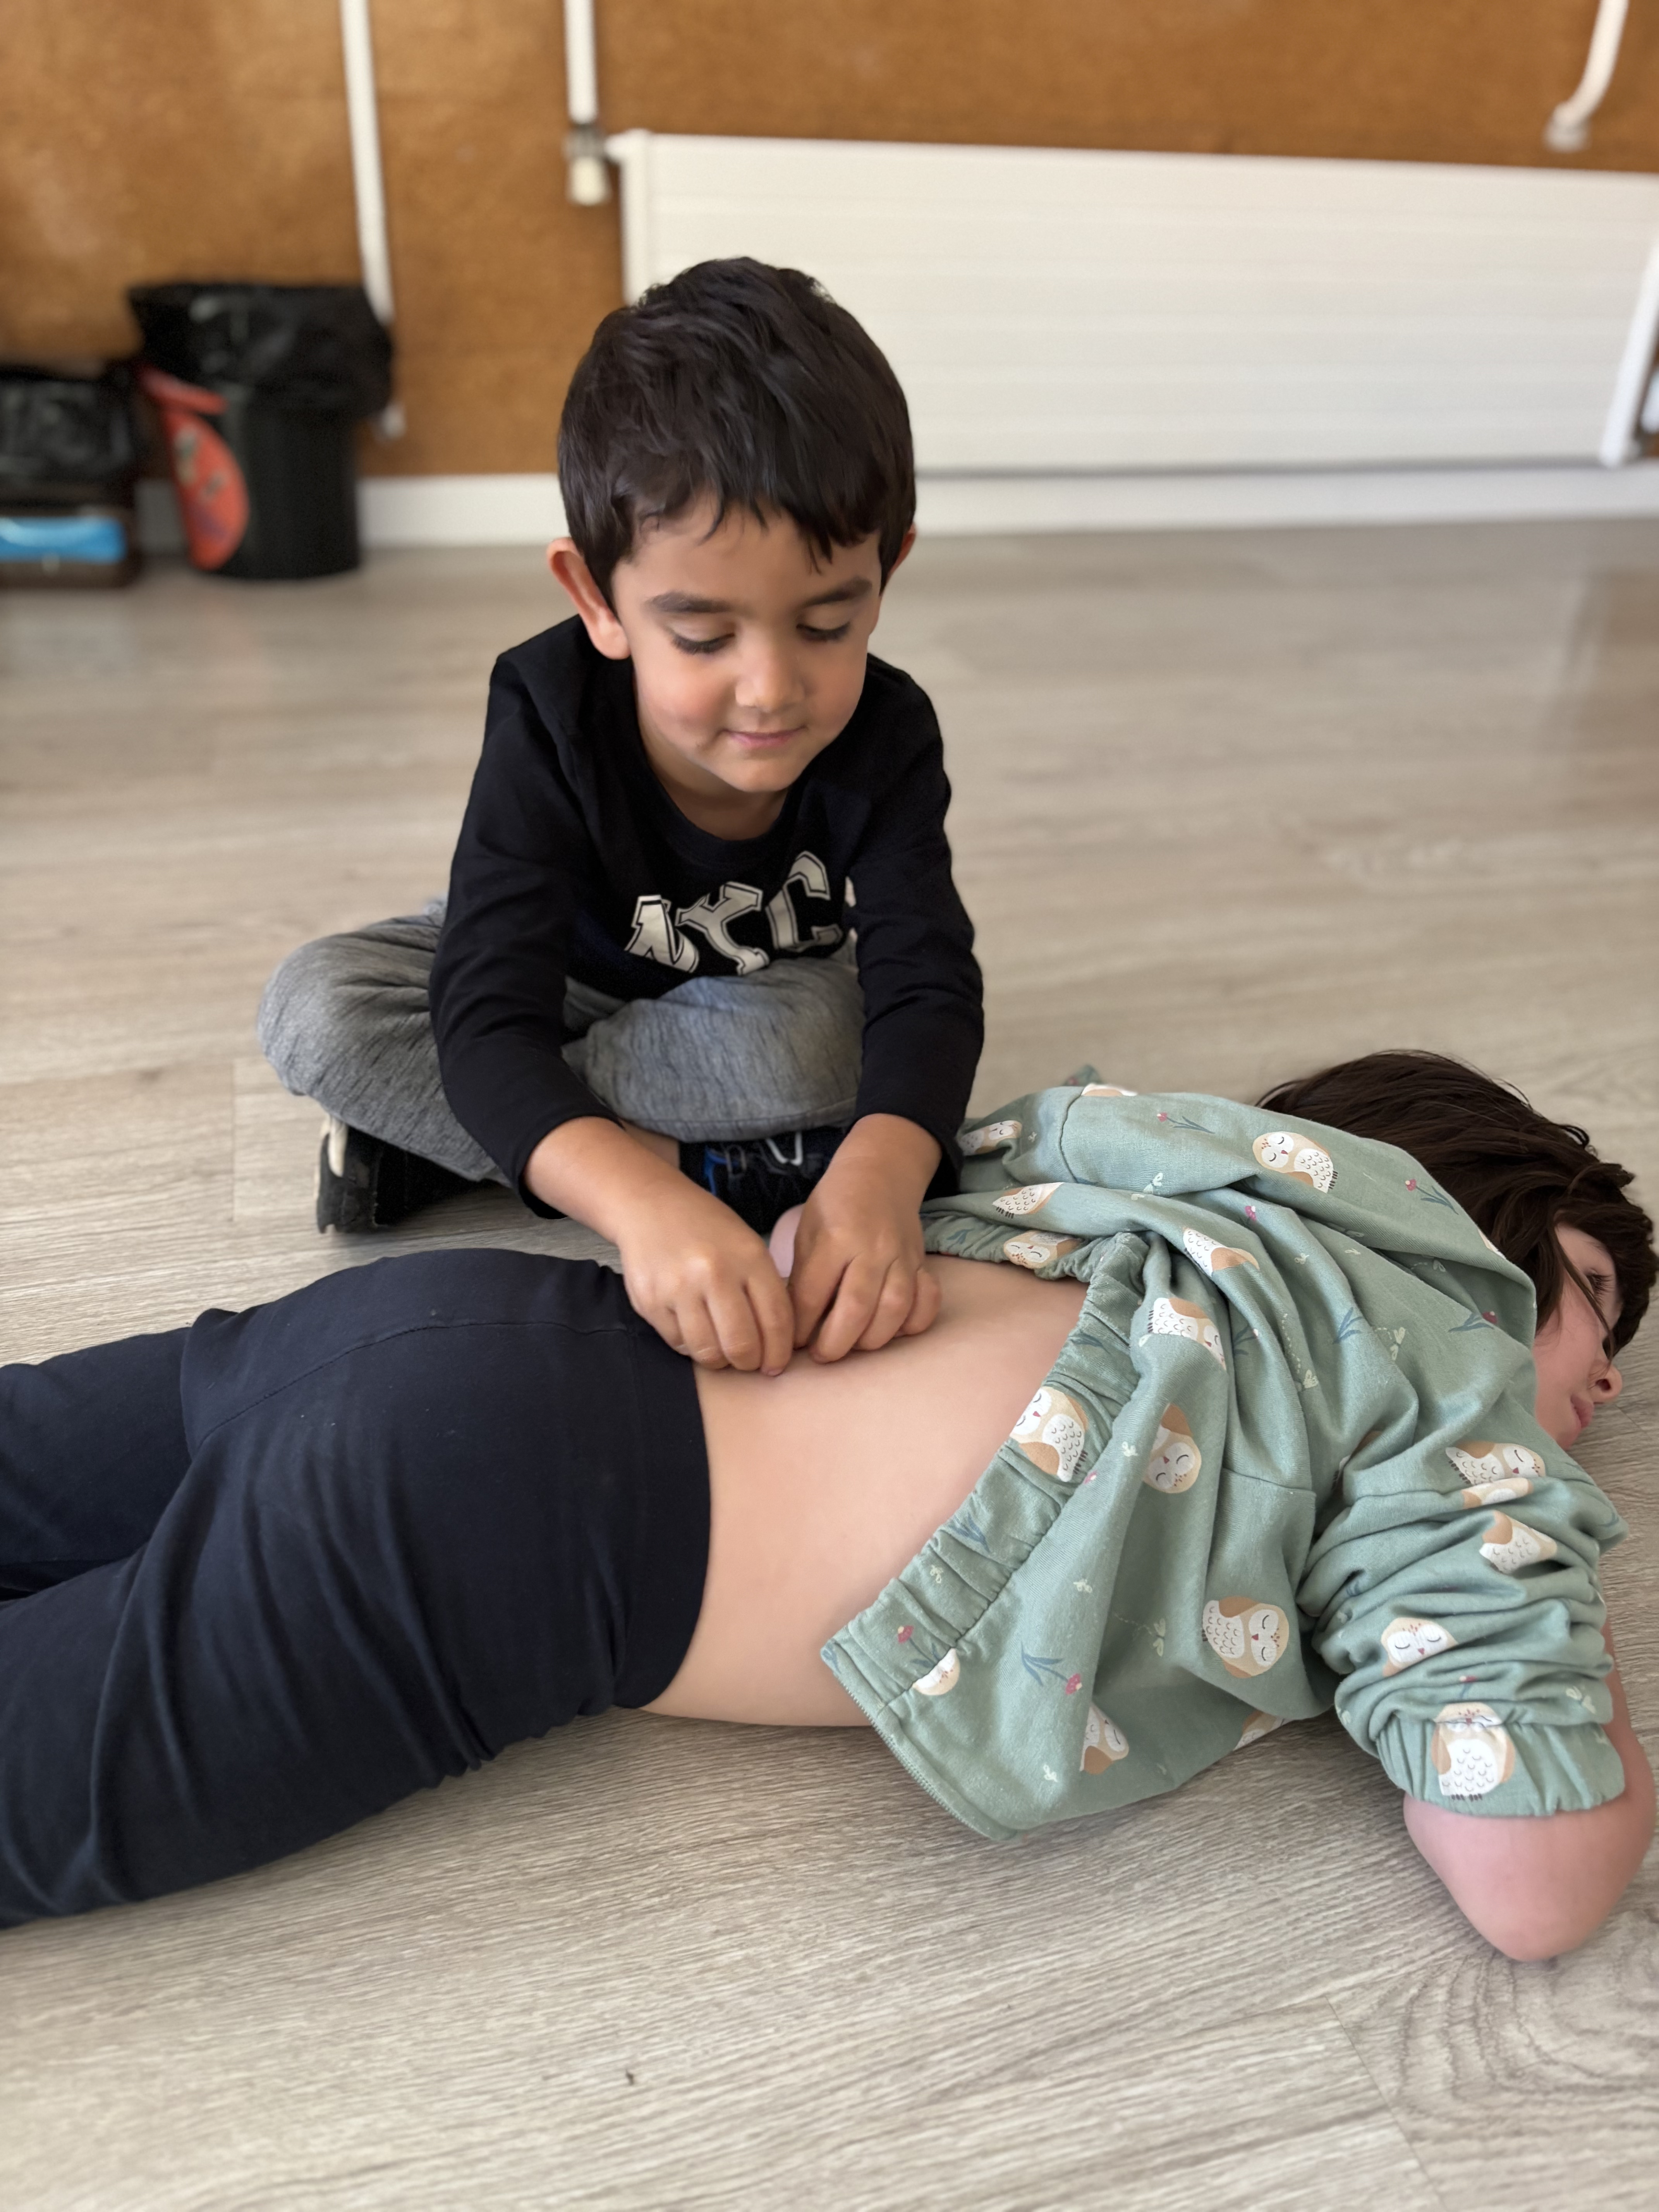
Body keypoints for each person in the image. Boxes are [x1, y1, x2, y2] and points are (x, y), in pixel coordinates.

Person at [0, 1054, 1651, 1958]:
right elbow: (1540, 1887)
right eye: (1603, 1309)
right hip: (497, 1539)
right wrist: (1539, 1548)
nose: (1611, 1385)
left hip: (468, 1321)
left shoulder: (1153, 1180)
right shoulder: (1448, 1398)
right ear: (1496, 1238)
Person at [258, 258, 982, 1374]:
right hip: (567, 975)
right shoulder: (547, 711)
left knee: (822, 1043)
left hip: (755, 1000)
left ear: (887, 570)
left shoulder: (888, 731)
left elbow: (926, 980)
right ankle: (713, 1165)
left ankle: (469, 1149)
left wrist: (883, 1180)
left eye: (827, 625)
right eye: (702, 638)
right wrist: (648, 1207)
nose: (769, 689)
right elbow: (488, 1011)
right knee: (317, 1010)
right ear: (595, 598)